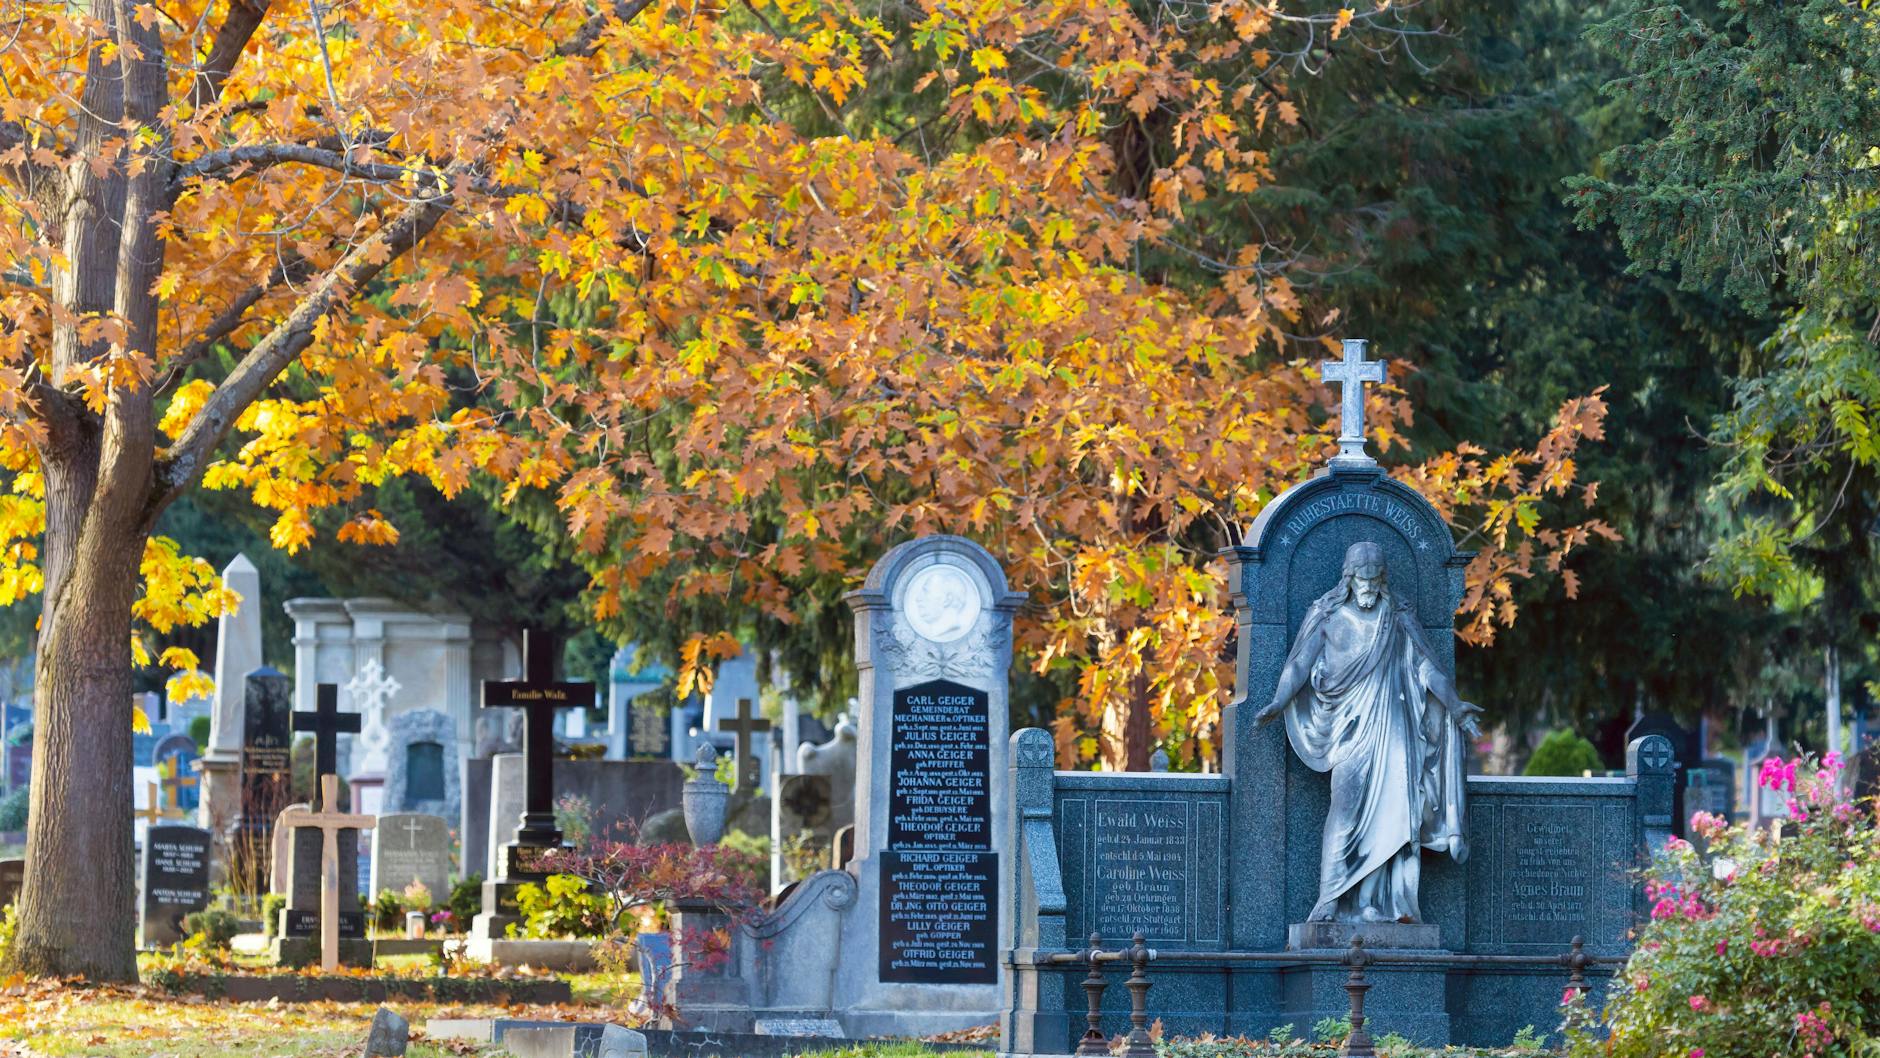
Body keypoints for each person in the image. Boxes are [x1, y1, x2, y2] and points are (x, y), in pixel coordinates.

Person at [1254, 541, 1480, 923]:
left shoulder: (1397, 615)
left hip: (1394, 729)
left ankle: (1378, 902)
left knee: (1395, 812)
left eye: (1376, 581)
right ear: (1348, 577)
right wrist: (1278, 701)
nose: (1369, 589)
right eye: (1363, 580)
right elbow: (1298, 665)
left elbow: (1426, 667)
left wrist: (1455, 706)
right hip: (1349, 729)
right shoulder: (1326, 614)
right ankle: (1330, 898)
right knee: (1345, 810)